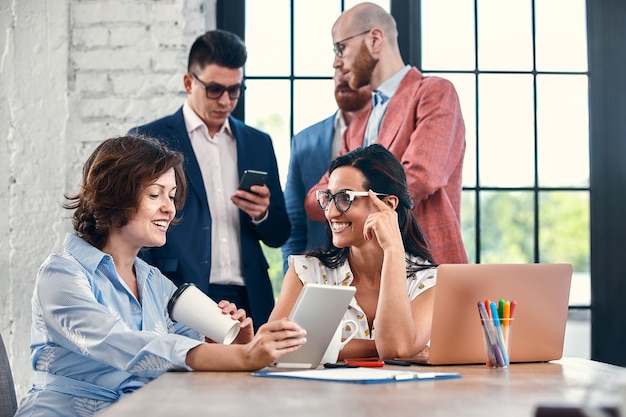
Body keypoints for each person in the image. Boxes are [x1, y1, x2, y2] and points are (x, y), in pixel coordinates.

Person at [14, 136, 306, 417]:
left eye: (172, 195)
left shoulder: (155, 282)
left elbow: (190, 353)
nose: (170, 207)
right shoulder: (62, 274)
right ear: (114, 196)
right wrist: (241, 357)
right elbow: (119, 343)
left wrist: (234, 343)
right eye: (155, 194)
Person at [129, 30, 290, 328]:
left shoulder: (259, 142)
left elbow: (279, 234)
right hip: (179, 289)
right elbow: (135, 224)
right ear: (189, 83)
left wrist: (262, 214)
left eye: (234, 90)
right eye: (215, 89)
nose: (226, 101)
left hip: (250, 294)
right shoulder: (148, 140)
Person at [304, 2, 468, 265]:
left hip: (425, 265)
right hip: (367, 274)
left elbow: (420, 177)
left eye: (340, 48)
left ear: (375, 39)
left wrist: (342, 199)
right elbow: (315, 201)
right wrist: (345, 198)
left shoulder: (434, 93)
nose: (337, 62)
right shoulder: (359, 121)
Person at [270, 144, 436, 360]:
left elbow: (395, 348)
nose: (330, 212)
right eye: (328, 198)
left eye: (344, 198)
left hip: (400, 395)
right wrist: (384, 347)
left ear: (388, 204)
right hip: (322, 394)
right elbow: (273, 346)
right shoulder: (306, 273)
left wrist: (393, 248)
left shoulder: (429, 281)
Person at [281, 68, 371, 273]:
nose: (343, 76)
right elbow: (295, 223)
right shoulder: (304, 141)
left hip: (376, 270)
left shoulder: (386, 133)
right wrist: (293, 277)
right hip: (321, 271)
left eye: (350, 69)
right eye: (338, 69)